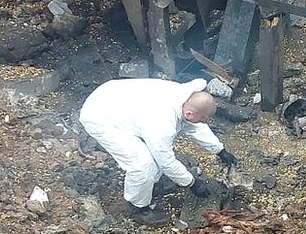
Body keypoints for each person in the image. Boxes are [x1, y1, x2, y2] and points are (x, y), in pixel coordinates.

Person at [79, 77, 239, 225]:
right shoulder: (162, 124)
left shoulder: (185, 98)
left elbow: (196, 125)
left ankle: (146, 186)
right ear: (189, 114)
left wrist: (219, 150)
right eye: (203, 119)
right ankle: (137, 206)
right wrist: (191, 182)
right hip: (100, 115)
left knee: (151, 159)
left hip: (117, 100)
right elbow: (166, 162)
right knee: (142, 164)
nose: (205, 122)